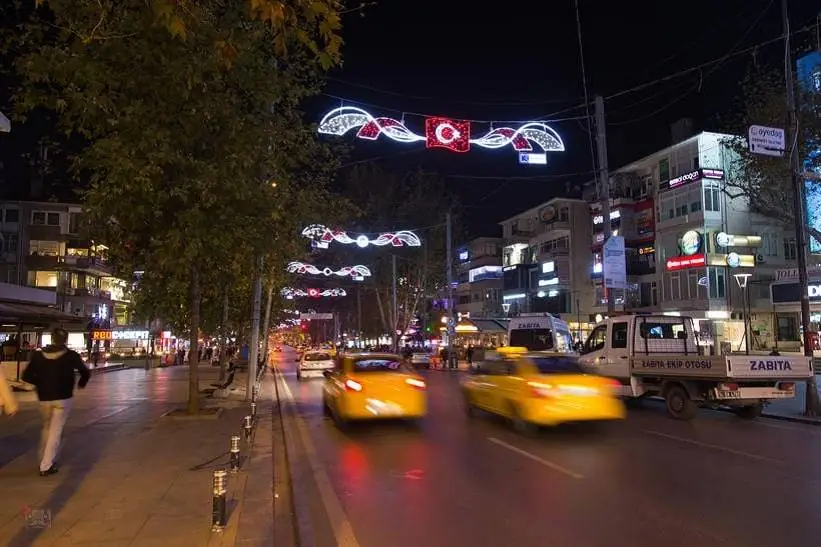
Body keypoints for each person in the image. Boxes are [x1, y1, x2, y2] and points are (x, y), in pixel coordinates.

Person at [22, 328, 91, 476]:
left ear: (52, 339)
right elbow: (85, 372)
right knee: (55, 431)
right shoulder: (71, 355)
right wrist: (81, 384)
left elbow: (26, 376)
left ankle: (43, 457)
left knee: (47, 428)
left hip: (44, 399)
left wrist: (39, 383)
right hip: (63, 398)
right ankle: (46, 465)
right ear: (65, 339)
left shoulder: (38, 356)